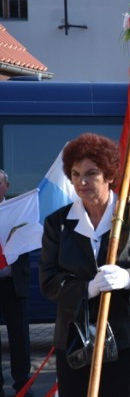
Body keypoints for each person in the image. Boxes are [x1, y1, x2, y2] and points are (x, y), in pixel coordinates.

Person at [40, 133, 130, 396]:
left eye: (91, 173)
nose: (82, 182)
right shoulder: (58, 223)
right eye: (75, 174)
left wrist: (128, 277)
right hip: (78, 341)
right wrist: (85, 289)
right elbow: (49, 280)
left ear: (109, 175)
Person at [0, 170, 33, 397]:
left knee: (19, 335)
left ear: (7, 186)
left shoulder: (19, 210)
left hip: (14, 283)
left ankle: (22, 382)